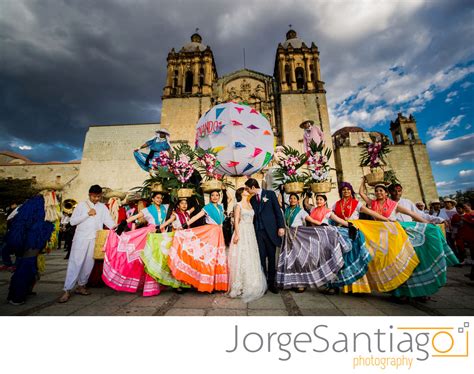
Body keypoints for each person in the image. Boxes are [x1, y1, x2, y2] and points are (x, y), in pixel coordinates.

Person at [58, 185, 115, 303]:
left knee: (89, 263)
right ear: (89, 194)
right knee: (76, 262)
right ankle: (67, 290)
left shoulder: (103, 207)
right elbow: (73, 222)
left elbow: (108, 221)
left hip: (95, 238)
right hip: (81, 238)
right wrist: (87, 214)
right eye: (94, 196)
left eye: (99, 196)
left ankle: (81, 286)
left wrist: (117, 228)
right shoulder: (81, 205)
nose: (96, 199)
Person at [166, 191, 228, 292]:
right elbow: (196, 216)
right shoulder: (207, 207)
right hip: (210, 233)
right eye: (212, 195)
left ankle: (215, 284)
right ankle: (208, 284)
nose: (215, 197)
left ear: (219, 196)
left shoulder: (221, 207)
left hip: (219, 234)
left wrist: (224, 190)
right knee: (209, 257)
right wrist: (185, 225)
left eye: (217, 195)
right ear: (210, 197)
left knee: (217, 257)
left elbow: (228, 200)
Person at [5, 192, 57, 305]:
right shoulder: (36, 206)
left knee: (29, 268)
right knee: (25, 270)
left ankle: (22, 291)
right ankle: (16, 297)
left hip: (31, 243)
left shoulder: (35, 205)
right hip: (30, 243)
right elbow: (24, 226)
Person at [245, 178, 285, 294]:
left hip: (271, 231)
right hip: (258, 231)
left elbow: (278, 211)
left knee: (272, 258)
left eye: (248, 189)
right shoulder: (252, 200)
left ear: (253, 187)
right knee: (261, 258)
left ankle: (272, 283)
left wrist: (281, 227)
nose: (247, 191)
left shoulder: (270, 194)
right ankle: (263, 284)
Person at [227, 187, 267, 302]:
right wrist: (237, 235)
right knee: (242, 254)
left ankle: (252, 282)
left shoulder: (250, 204)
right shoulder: (238, 205)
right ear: (241, 193)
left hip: (251, 231)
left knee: (251, 255)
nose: (247, 191)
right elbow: (236, 220)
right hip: (242, 230)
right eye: (245, 190)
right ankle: (239, 284)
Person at [359, 179, 429, 223]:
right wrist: (363, 181)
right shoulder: (372, 203)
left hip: (392, 230)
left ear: (386, 193)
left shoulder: (394, 205)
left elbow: (411, 213)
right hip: (378, 230)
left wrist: (427, 222)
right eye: (376, 191)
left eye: (381, 190)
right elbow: (361, 193)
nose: (378, 192)